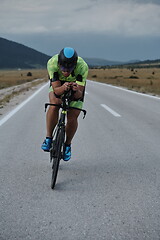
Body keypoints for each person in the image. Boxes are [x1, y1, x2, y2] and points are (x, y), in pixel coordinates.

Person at [41, 47, 88, 161]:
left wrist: (76, 90)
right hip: (58, 84)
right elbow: (56, 91)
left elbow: (79, 95)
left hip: (76, 86)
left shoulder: (82, 67)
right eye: (63, 68)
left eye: (69, 68)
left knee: (73, 115)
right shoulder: (52, 63)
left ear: (75, 65)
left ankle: (67, 145)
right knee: (54, 104)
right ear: (59, 63)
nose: (66, 71)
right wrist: (63, 87)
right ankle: (48, 137)